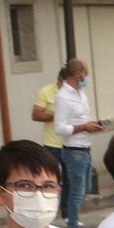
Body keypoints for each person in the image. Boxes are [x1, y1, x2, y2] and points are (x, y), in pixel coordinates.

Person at [52, 59, 106, 228]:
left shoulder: (80, 92)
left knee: (86, 188)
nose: (87, 77)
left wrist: (92, 125)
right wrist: (83, 127)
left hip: (85, 146)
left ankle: (72, 221)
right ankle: (73, 226)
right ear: (78, 74)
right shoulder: (63, 97)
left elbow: (80, 119)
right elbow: (59, 128)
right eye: (85, 74)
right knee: (77, 191)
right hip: (73, 150)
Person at [32, 68, 66, 204]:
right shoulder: (46, 91)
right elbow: (36, 115)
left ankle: (67, 213)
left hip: (71, 142)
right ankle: (49, 203)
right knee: (50, 177)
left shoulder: (76, 92)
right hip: (52, 143)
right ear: (60, 80)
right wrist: (57, 115)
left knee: (70, 180)